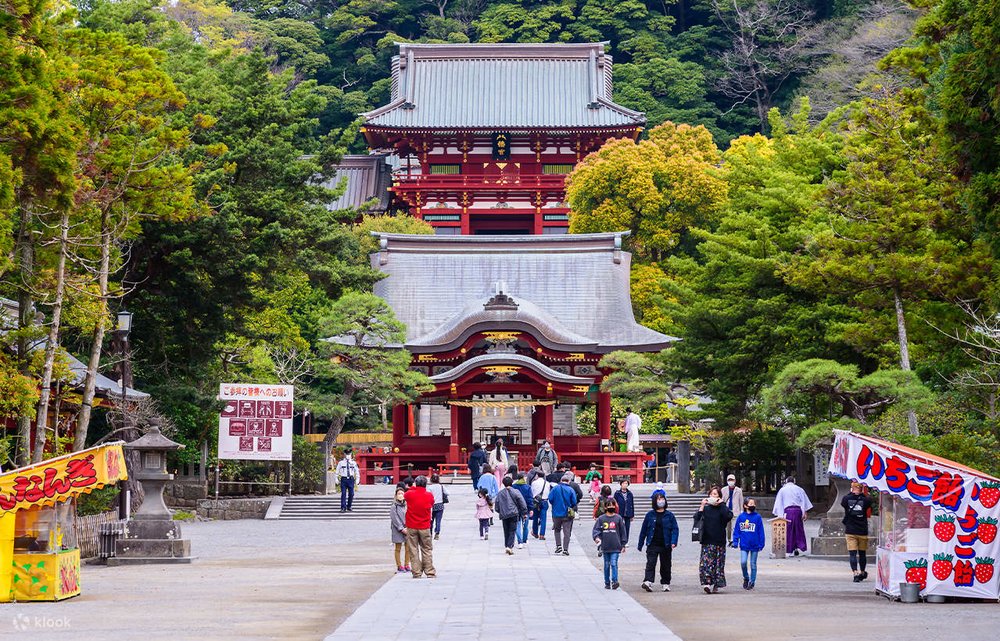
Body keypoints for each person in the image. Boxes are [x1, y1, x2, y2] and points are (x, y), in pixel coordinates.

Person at [637, 494, 679, 592]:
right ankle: (648, 581)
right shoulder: (649, 515)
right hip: (652, 543)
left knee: (666, 564)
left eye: (662, 499)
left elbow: (675, 529)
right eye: (659, 499)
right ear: (655, 501)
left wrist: (674, 541)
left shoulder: (670, 515)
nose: (661, 501)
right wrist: (640, 543)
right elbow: (643, 530)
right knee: (651, 563)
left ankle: (665, 583)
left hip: (666, 543)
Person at [698, 485, 733, 593]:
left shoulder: (722, 509)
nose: (714, 496)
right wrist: (702, 505)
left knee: (718, 564)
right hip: (707, 540)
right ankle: (707, 583)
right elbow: (697, 518)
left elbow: (728, 516)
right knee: (707, 563)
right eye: (712, 494)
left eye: (716, 495)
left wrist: (722, 504)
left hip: (719, 541)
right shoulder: (706, 508)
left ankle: (716, 584)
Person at [403, 476, 436, 579]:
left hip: (411, 525)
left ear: (415, 484)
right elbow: (432, 504)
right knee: (426, 549)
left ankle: (416, 572)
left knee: (413, 549)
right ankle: (429, 571)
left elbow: (405, 494)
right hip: (425, 526)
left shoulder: (409, 494)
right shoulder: (429, 495)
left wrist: (414, 487)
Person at [772, 476, 813, 556]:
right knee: (798, 529)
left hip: (788, 512)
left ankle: (789, 549)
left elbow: (779, 503)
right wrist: (804, 512)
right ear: (794, 481)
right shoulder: (799, 489)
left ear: (786, 481)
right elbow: (803, 501)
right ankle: (797, 547)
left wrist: (780, 515)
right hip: (798, 511)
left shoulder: (782, 490)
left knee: (789, 530)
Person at [731, 498, 766, 590]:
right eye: (750, 503)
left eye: (753, 504)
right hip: (744, 544)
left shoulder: (757, 517)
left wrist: (761, 543)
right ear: (745, 506)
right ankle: (746, 577)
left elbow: (761, 531)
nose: (752, 505)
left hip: (755, 544)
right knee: (743, 562)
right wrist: (735, 541)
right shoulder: (741, 517)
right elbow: (737, 530)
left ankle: (752, 581)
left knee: (753, 564)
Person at [593, 500, 628, 590]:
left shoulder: (618, 518)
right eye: (609, 505)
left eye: (613, 505)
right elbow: (596, 530)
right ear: (605, 507)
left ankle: (615, 581)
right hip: (605, 546)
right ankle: (607, 582)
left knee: (613, 563)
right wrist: (596, 537)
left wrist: (623, 544)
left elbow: (623, 532)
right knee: (606, 565)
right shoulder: (601, 519)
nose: (611, 507)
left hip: (616, 545)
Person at [842, 481, 873, 582]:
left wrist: (851, 493)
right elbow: (869, 501)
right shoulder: (866, 500)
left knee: (852, 554)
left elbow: (843, 503)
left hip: (850, 530)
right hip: (862, 530)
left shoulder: (846, 499)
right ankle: (863, 572)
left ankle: (855, 573)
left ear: (852, 488)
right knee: (862, 553)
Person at [495, 476, 529, 555]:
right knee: (512, 530)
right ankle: (509, 546)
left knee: (506, 530)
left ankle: (507, 545)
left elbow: (496, 505)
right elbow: (522, 502)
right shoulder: (516, 491)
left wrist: (500, 511)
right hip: (513, 513)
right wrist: (524, 513)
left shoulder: (500, 493)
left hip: (504, 514)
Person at [548, 472, 579, 556]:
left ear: (561, 480)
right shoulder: (571, 490)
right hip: (567, 513)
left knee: (557, 529)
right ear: (568, 481)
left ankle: (558, 546)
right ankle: (565, 549)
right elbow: (574, 502)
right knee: (567, 532)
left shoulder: (555, 488)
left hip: (556, 513)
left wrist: (555, 504)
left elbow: (550, 499)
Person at [390, 487, 411, 573]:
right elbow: (395, 518)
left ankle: (407, 564)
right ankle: (399, 565)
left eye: (402, 494)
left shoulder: (407, 505)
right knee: (398, 548)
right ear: (396, 495)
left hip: (407, 528)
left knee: (408, 548)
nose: (401, 495)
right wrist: (401, 528)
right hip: (397, 529)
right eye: (399, 494)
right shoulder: (394, 506)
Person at [512, 473, 534, 549]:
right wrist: (531, 509)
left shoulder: (514, 486)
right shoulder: (527, 487)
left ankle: (519, 541)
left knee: (517, 525)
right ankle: (525, 539)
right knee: (525, 525)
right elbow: (530, 499)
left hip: (516, 508)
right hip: (526, 508)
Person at [720, 474, 744, 540]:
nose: (730, 481)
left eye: (732, 480)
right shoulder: (723, 489)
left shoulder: (738, 490)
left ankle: (734, 539)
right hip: (727, 510)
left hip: (736, 510)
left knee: (735, 526)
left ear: (735, 481)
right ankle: (729, 539)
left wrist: (742, 510)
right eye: (729, 480)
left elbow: (741, 500)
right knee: (728, 527)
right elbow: (722, 500)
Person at [530, 470, 551, 540]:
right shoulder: (547, 483)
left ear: (537, 475)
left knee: (535, 517)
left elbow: (532, 492)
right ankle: (542, 534)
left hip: (536, 501)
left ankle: (535, 532)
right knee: (543, 518)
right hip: (544, 500)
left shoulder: (534, 483)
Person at [427, 473, 449, 541]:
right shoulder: (441, 486)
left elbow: (427, 495)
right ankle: (437, 533)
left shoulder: (430, 488)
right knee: (438, 521)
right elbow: (448, 493)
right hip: (440, 505)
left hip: (432, 505)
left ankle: (430, 534)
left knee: (431, 520)